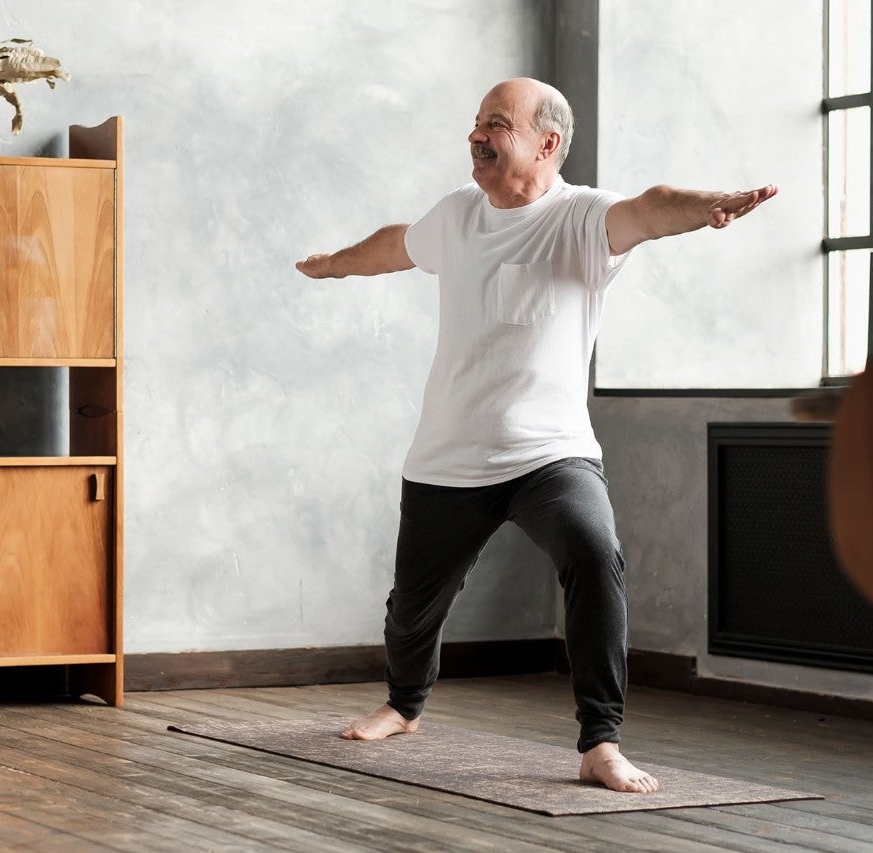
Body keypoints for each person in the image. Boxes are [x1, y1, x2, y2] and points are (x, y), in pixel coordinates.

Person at [296, 77, 776, 794]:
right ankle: (403, 703)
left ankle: (600, 740)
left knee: (593, 550)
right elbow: (397, 244)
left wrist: (707, 205)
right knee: (411, 612)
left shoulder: (583, 218)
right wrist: (335, 263)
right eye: (476, 123)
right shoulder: (457, 214)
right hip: (447, 455)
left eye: (496, 123)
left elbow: (650, 207)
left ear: (547, 144)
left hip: (550, 452)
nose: (475, 135)